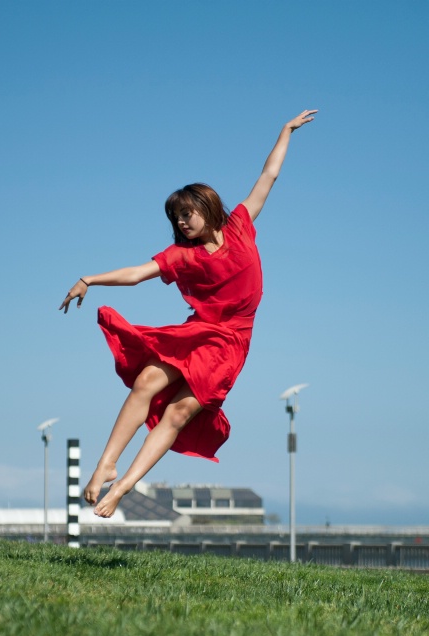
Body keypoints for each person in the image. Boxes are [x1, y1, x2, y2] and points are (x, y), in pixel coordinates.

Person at [59, 110, 317, 518]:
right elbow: (137, 273)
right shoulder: (183, 256)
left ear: (207, 207)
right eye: (175, 218)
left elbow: (268, 177)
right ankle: (105, 465)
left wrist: (285, 132)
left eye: (186, 213)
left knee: (179, 412)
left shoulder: (240, 226)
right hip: (198, 331)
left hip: (230, 344)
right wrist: (90, 279)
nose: (180, 221)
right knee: (146, 380)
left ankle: (124, 486)